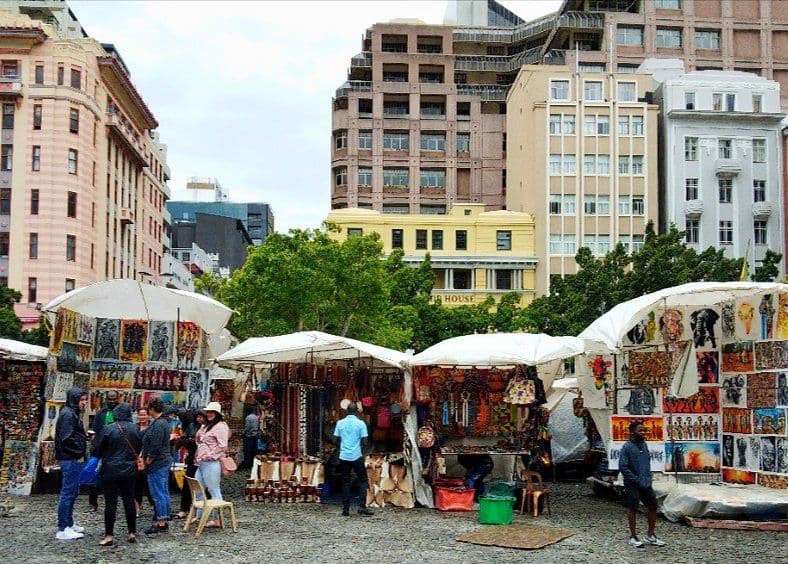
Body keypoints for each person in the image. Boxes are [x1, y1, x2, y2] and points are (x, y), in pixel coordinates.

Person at [93, 403, 141, 546]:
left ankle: (109, 535)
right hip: (130, 470)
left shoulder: (108, 429)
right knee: (129, 501)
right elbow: (139, 448)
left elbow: (97, 450)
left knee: (110, 503)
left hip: (110, 470)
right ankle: (132, 532)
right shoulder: (135, 429)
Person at [619, 421, 666, 548]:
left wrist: (648, 478)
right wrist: (635, 479)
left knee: (653, 506)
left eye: (644, 430)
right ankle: (633, 536)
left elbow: (646, 463)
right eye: (640, 430)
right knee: (633, 508)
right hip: (632, 483)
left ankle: (651, 535)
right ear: (632, 432)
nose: (643, 432)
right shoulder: (627, 447)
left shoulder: (644, 445)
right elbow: (623, 467)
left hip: (645, 482)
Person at [54, 387, 88, 540]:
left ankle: (68, 522)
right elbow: (66, 438)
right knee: (68, 492)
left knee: (72, 491)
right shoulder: (68, 414)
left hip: (72, 457)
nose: (85, 403)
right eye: (82, 400)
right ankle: (63, 528)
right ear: (75, 400)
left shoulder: (71, 413)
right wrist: (79, 450)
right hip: (70, 458)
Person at [193, 402, 231, 528]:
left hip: (212, 462)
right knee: (198, 489)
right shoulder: (206, 426)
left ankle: (217, 519)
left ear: (217, 414)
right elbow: (199, 439)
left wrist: (209, 454)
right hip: (202, 462)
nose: (208, 414)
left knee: (213, 490)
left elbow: (222, 446)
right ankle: (199, 516)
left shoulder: (221, 427)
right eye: (208, 412)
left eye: (211, 412)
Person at [333, 402, 373, 517]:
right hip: (356, 455)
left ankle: (345, 509)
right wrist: (358, 446)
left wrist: (343, 445)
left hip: (344, 456)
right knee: (362, 480)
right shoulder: (361, 424)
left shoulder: (340, 423)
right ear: (356, 411)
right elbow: (365, 441)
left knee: (345, 481)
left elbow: (335, 440)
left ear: (346, 410)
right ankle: (361, 507)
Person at [140, 398, 172, 535]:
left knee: (158, 493)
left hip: (157, 463)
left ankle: (161, 520)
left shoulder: (159, 424)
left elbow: (155, 445)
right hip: (162, 461)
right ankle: (164, 517)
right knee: (163, 492)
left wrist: (148, 460)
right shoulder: (162, 423)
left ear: (152, 409)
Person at [87, 390, 120, 512]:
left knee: (113, 479)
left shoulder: (121, 413)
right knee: (95, 475)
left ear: (118, 399)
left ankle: (111, 504)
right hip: (101, 449)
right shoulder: (101, 413)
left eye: (114, 399)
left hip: (116, 450)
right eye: (110, 399)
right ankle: (92, 503)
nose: (112, 401)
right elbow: (94, 429)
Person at [174, 409, 199, 520]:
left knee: (201, 486)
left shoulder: (206, 426)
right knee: (187, 483)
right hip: (191, 458)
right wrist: (189, 440)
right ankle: (184, 508)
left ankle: (198, 509)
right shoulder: (191, 426)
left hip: (202, 460)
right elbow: (184, 439)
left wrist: (191, 440)